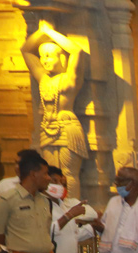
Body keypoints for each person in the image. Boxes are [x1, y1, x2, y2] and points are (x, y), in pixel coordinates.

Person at [20, 24, 87, 190]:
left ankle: (71, 209)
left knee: (69, 175)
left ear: (62, 59)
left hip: (67, 127)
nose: (44, 60)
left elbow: (76, 51)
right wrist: (40, 31)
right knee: (48, 174)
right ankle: (53, 209)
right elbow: (26, 51)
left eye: (49, 56)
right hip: (47, 129)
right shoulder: (44, 79)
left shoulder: (69, 79)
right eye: (42, 56)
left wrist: (50, 32)